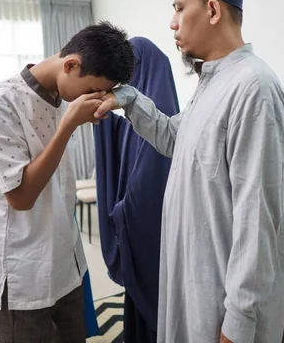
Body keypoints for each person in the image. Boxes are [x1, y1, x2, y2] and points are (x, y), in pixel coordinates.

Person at [95, 0, 284, 343]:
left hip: (221, 306)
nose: (172, 22)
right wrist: (128, 98)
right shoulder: (212, 84)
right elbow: (172, 136)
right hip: (193, 284)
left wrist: (239, 322)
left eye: (180, 8)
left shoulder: (254, 87)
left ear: (213, 10)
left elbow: (258, 218)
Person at [0, 21, 135, 343]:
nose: (93, 99)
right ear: (71, 65)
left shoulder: (63, 97)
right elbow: (20, 198)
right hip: (21, 270)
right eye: (91, 90)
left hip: (66, 260)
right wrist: (68, 125)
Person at [94, 36, 179, 342]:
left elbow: (148, 180)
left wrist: (122, 212)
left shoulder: (162, 114)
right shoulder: (141, 110)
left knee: (153, 302)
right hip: (140, 226)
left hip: (151, 231)